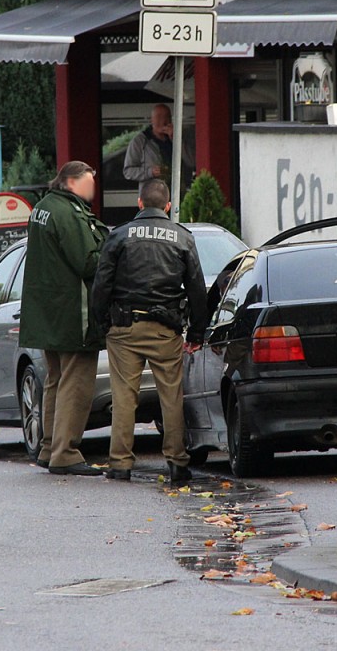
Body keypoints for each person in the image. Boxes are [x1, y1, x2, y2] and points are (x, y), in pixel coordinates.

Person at [91, 178, 208, 484]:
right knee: (171, 396)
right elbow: (197, 288)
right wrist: (197, 332)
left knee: (124, 397)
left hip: (124, 329)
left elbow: (101, 285)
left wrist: (101, 324)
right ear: (167, 206)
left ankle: (120, 464)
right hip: (165, 330)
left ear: (139, 203)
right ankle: (178, 463)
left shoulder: (118, 236)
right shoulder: (182, 237)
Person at [19, 160, 109, 476]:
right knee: (77, 383)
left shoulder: (43, 207)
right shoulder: (69, 213)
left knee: (56, 380)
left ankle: (49, 448)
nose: (92, 187)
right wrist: (112, 251)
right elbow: (87, 261)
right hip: (73, 313)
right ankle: (66, 452)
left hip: (49, 314)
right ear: (71, 182)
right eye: (88, 180)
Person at [123, 103, 195, 186]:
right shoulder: (140, 141)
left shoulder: (179, 136)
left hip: (178, 191)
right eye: (159, 117)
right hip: (152, 194)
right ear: (152, 120)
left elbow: (191, 161)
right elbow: (128, 171)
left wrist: (176, 139)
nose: (163, 121)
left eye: (166, 117)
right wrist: (150, 172)